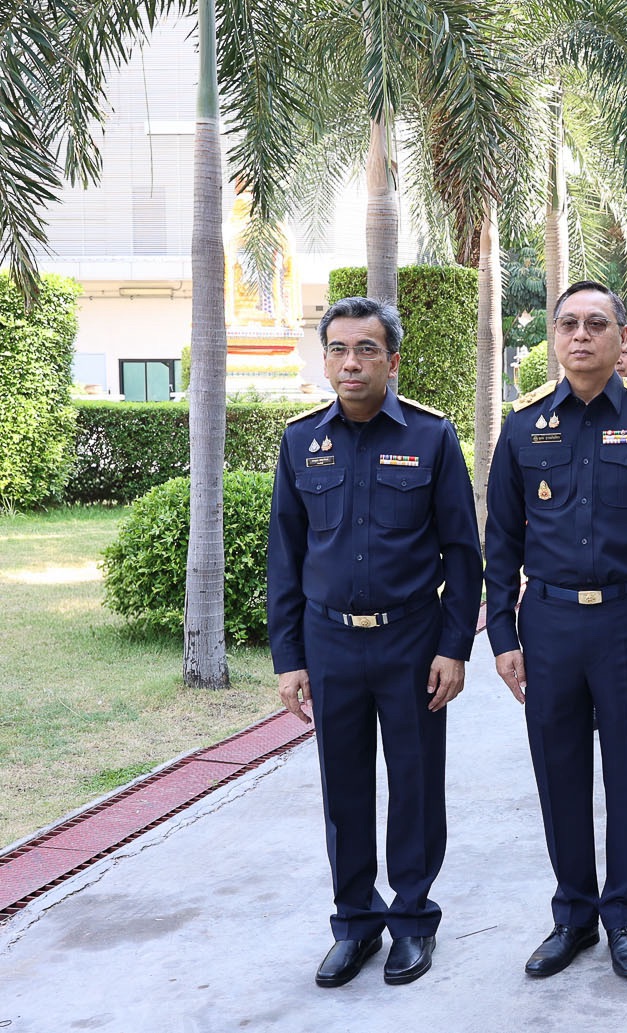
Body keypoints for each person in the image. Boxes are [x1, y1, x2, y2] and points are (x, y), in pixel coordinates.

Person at [267, 296, 483, 988]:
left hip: (411, 642)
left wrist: (454, 646)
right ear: (324, 358)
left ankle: (413, 919)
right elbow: (285, 558)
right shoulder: (301, 440)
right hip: (330, 643)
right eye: (338, 348)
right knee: (345, 788)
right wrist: (289, 657)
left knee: (415, 785)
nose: (350, 362)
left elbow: (463, 553)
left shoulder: (431, 436)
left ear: (392, 360)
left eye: (366, 349)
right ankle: (355, 922)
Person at [485, 280, 627, 981]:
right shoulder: (523, 425)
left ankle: (624, 917)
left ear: (621, 339)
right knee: (559, 771)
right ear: (553, 337)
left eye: (596, 324)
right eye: (568, 323)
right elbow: (500, 543)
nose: (581, 335)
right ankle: (572, 914)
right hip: (547, 623)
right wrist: (503, 637)